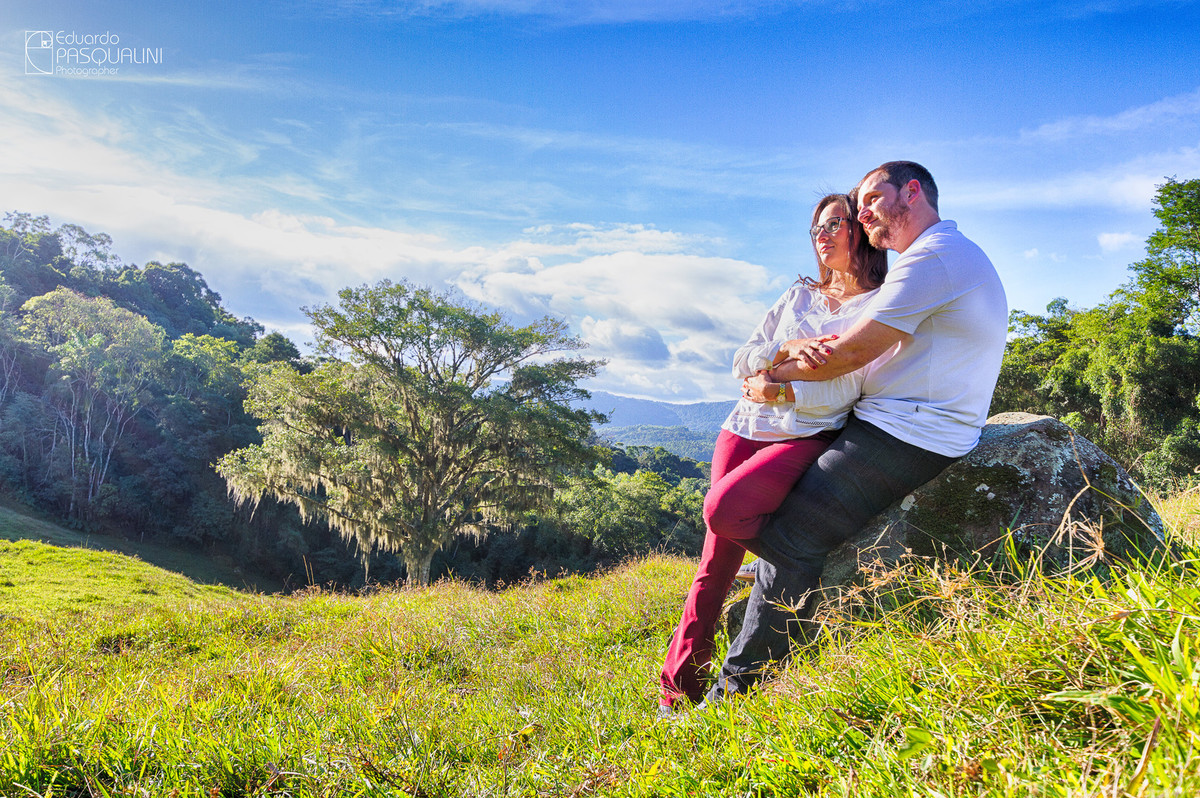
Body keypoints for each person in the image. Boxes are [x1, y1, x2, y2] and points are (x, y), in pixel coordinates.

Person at [704, 161, 1009, 704]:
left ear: (911, 193)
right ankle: (773, 593)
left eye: (871, 198)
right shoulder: (938, 256)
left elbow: (843, 355)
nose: (861, 212)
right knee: (771, 528)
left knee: (795, 538)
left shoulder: (935, 259)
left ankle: (736, 692)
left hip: (907, 432)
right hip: (894, 422)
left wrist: (766, 375)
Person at [658, 193, 887, 716]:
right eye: (814, 230)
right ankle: (680, 688)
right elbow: (742, 358)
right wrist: (782, 356)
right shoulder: (799, 296)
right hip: (741, 427)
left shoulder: (877, 305)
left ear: (860, 230)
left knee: (724, 510)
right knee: (713, 564)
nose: (821, 236)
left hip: (804, 432)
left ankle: (776, 558)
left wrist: (776, 390)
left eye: (833, 224)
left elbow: (846, 390)